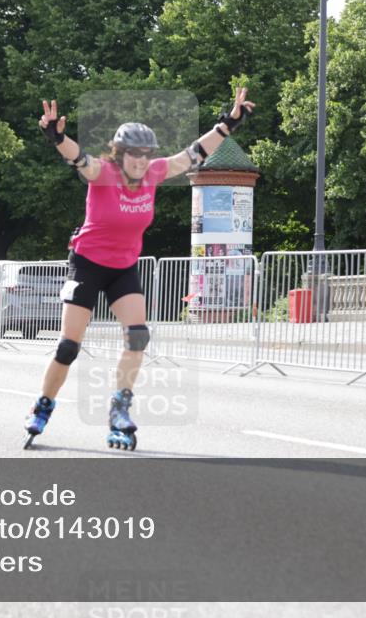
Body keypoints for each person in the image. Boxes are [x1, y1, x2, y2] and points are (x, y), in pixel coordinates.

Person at [24, 87, 256, 449]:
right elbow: (78, 158)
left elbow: (193, 153)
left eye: (146, 154)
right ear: (120, 154)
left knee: (137, 336)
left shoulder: (154, 172)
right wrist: (57, 137)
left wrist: (228, 124)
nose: (140, 160)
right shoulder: (103, 173)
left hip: (123, 268)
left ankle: (119, 408)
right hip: (87, 264)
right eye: (133, 154)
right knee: (69, 346)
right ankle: (43, 405)